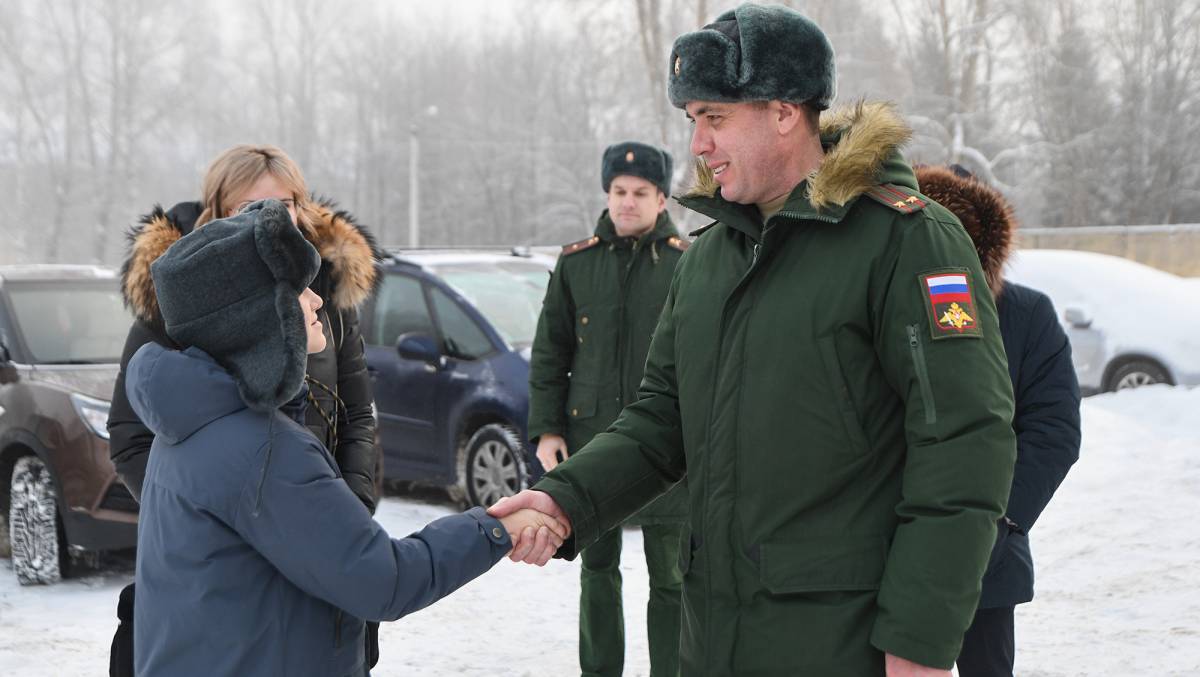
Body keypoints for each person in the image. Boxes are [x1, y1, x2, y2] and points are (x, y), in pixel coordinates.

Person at [491, 5, 1018, 675]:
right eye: (693, 120)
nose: (698, 144)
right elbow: (661, 420)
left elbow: (965, 442)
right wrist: (566, 498)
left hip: (842, 643)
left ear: (785, 110)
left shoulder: (907, 240)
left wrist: (919, 637)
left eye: (715, 118)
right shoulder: (707, 260)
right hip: (712, 637)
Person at [125, 199, 565, 676]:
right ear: (254, 318)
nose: (316, 300)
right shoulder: (263, 450)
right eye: (297, 289)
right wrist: (497, 528)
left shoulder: (192, 422)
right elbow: (385, 580)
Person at [106, 144, 383, 675]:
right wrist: (212, 519)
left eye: (285, 204)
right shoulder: (180, 299)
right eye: (250, 207)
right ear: (218, 210)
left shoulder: (324, 299)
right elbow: (130, 437)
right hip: (223, 569)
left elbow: (357, 419)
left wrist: (345, 516)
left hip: (320, 547)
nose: (272, 217)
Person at [528, 141, 689, 676]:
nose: (627, 202)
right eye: (619, 191)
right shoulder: (577, 263)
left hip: (669, 445)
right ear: (607, 194)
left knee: (671, 577)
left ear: (661, 198)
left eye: (640, 192)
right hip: (591, 438)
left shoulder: (687, 263)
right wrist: (547, 429)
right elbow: (551, 352)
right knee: (597, 570)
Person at [915, 164, 1081, 677]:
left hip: (987, 560)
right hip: (881, 551)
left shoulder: (1026, 314)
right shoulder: (877, 306)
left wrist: (998, 520)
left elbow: (1053, 430)